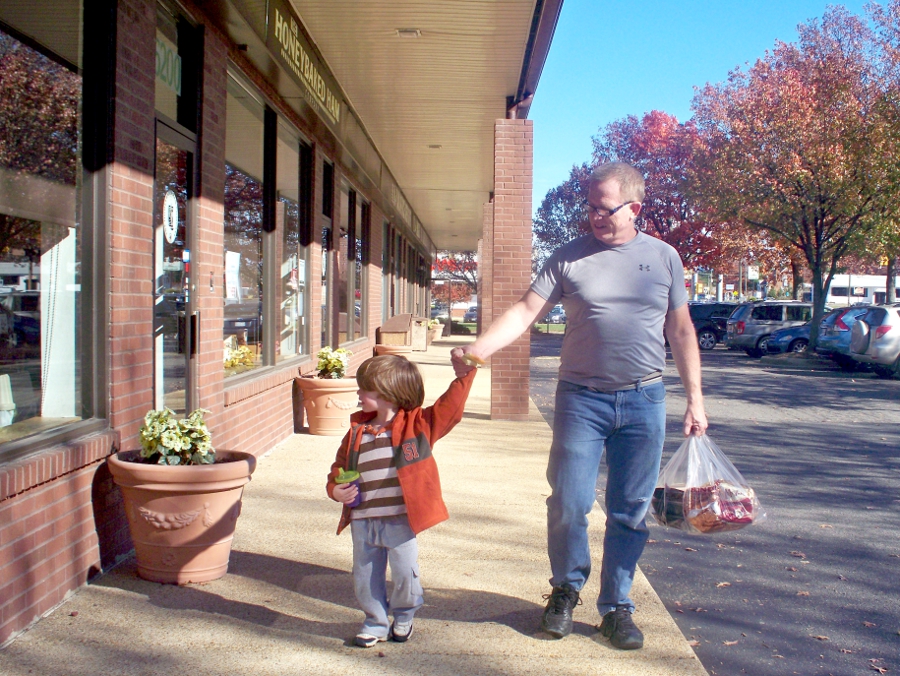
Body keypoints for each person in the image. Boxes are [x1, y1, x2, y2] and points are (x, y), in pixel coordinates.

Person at [452, 162, 707, 650]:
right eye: (588, 206)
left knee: (629, 511)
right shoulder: (567, 257)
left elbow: (680, 330)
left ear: (634, 208)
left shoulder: (664, 258)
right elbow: (526, 311)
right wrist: (478, 350)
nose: (594, 216)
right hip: (581, 400)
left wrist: (694, 399)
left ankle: (617, 607)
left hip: (644, 399)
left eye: (604, 208)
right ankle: (565, 590)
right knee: (569, 502)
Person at [327, 354, 476, 648]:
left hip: (400, 519)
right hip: (363, 519)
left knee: (405, 573)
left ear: (388, 393)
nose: (358, 393)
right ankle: (375, 623)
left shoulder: (418, 426)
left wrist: (464, 377)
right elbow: (339, 467)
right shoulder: (357, 431)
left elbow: (450, 411)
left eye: (364, 389)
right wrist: (335, 489)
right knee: (365, 576)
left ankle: (405, 615)